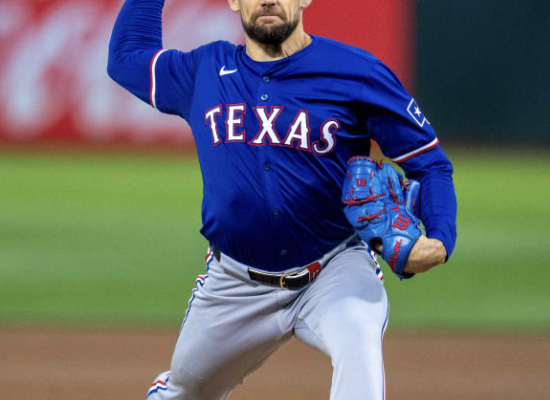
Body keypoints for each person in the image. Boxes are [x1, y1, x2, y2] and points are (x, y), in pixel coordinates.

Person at [107, 0, 457, 399]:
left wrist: (440, 239)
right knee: (185, 392)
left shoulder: (355, 72)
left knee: (358, 345)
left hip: (334, 269)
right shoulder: (203, 71)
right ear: (234, 1)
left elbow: (431, 165)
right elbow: (126, 59)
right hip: (234, 282)